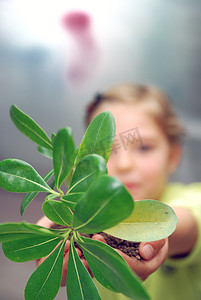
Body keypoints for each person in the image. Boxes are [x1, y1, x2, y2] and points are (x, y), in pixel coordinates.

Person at [37, 83, 201, 299]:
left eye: (144, 147)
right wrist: (50, 236)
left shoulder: (191, 198)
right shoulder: (86, 216)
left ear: (172, 157)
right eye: (107, 151)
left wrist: (157, 231)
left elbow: (186, 224)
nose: (124, 164)